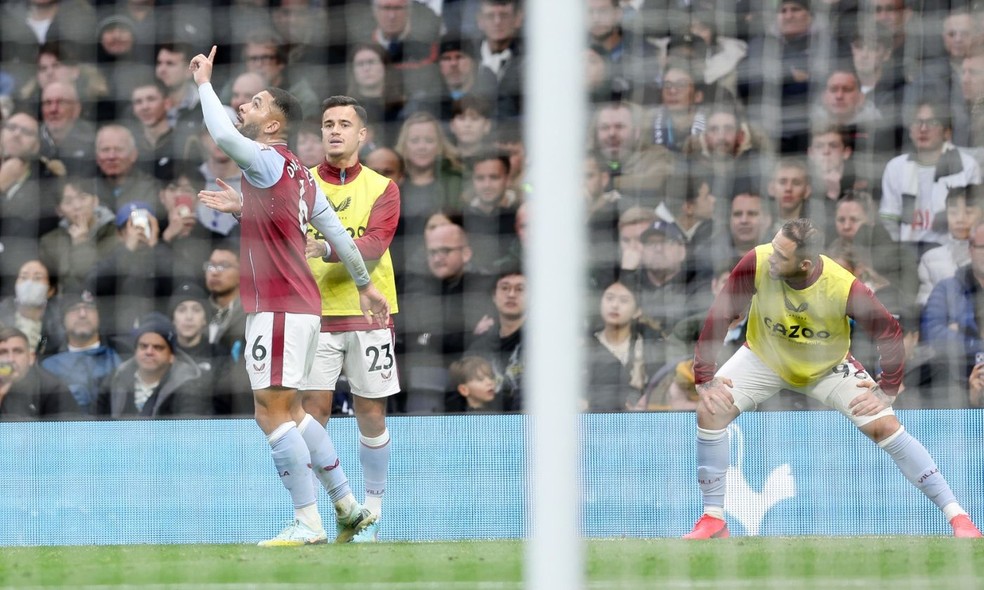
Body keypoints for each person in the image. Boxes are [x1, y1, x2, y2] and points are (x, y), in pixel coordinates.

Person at [190, 46, 391, 547]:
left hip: (277, 307)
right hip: (304, 308)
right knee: (296, 413)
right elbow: (341, 240)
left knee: (270, 413)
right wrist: (365, 284)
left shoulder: (263, 159)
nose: (245, 107)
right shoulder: (300, 175)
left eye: (255, 103)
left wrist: (203, 84)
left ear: (274, 124)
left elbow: (219, 134)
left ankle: (308, 522)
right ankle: (346, 506)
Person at [685, 218, 982, 539]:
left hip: (827, 367)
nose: (772, 257)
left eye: (781, 256)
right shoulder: (756, 262)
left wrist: (887, 388)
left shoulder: (843, 286)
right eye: (773, 248)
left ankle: (959, 518)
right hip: (763, 357)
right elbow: (721, 314)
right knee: (710, 411)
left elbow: (889, 332)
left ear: (805, 264)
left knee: (885, 425)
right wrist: (704, 377)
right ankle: (714, 518)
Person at [879, 101, 980, 246]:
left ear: (947, 132)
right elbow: (889, 220)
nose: (923, 129)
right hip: (908, 254)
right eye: (917, 122)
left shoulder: (967, 165)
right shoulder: (895, 167)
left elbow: (974, 219)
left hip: (953, 251)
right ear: (909, 130)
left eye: (932, 122)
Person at [96, 314, 208, 418]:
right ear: (135, 351)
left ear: (171, 356)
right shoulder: (115, 379)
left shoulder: (188, 387)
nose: (149, 352)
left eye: (158, 347)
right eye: (143, 346)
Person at [40, 291, 121, 415]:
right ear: (63, 319)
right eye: (74, 309)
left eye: (89, 308)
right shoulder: (47, 364)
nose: (82, 314)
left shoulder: (121, 355)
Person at [0, 326, 79, 420]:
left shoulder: (51, 388)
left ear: (31, 358)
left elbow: (72, 431)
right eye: (3, 352)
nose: (10, 359)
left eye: (18, 351)